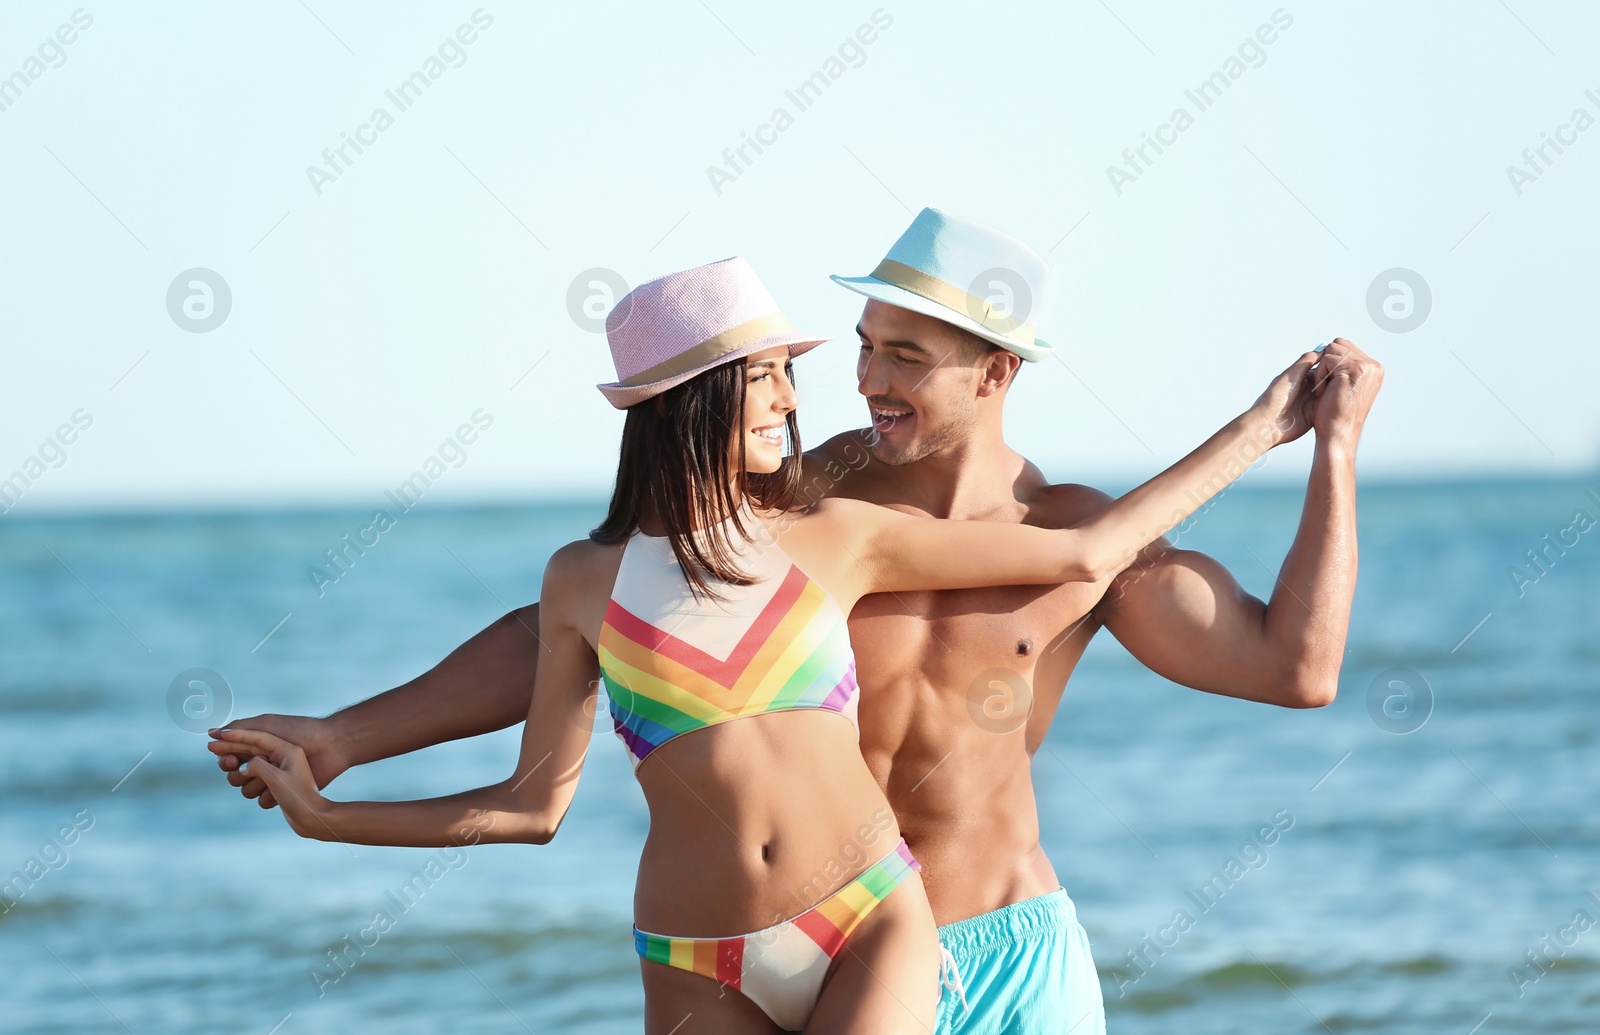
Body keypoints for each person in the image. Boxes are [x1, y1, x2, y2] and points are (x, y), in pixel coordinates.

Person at [216, 211, 1382, 1032]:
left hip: (1000, 944)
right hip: (809, 943)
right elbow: (569, 633)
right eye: (863, 345)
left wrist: (1329, 448)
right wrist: (346, 736)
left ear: (994, 373)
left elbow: (1296, 666)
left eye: (905, 356)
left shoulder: (1082, 536)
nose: (864, 377)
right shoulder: (804, 498)